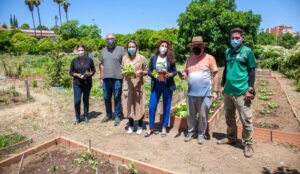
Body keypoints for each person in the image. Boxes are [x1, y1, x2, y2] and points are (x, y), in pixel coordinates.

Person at [218, 28, 256, 158]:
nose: (234, 40)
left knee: (246, 119)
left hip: (242, 92)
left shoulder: (247, 51)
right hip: (228, 91)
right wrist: (222, 85)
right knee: (229, 117)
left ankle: (248, 144)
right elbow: (225, 70)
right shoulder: (228, 51)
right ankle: (231, 138)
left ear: (242, 38)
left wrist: (250, 88)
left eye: (237, 38)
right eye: (232, 38)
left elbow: (252, 71)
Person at [179, 36, 219, 144]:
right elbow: (186, 72)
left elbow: (215, 74)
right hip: (191, 93)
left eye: (198, 46)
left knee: (203, 115)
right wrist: (183, 75)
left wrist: (215, 91)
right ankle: (191, 132)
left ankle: (201, 133)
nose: (196, 48)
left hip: (205, 93)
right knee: (190, 115)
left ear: (202, 46)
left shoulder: (209, 58)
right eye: (194, 46)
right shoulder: (189, 59)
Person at [145, 40, 177, 137]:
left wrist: (170, 74)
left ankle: (164, 127)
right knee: (152, 106)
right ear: (159, 47)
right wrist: (153, 74)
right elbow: (149, 70)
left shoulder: (170, 58)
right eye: (162, 45)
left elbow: (175, 71)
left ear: (167, 48)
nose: (163, 47)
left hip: (167, 84)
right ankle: (151, 127)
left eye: (165, 46)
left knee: (166, 106)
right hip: (156, 84)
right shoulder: (153, 58)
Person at [122, 40, 147, 134]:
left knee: (139, 104)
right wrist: (125, 72)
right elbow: (122, 70)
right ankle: (131, 125)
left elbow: (147, 71)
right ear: (127, 48)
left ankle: (140, 125)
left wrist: (141, 72)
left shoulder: (142, 58)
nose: (131, 48)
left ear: (136, 48)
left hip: (138, 85)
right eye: (129, 47)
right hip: (127, 85)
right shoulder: (125, 58)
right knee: (128, 104)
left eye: (133, 46)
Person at [99, 33, 125, 126]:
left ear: (115, 39)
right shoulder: (103, 50)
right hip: (106, 78)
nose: (110, 40)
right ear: (106, 40)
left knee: (117, 97)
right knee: (106, 97)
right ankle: (108, 114)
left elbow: (125, 63)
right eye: (108, 38)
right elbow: (101, 65)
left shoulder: (121, 50)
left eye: (112, 38)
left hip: (117, 78)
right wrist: (101, 78)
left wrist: (124, 73)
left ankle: (117, 115)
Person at [69, 44, 96, 124]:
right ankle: (77, 117)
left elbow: (93, 70)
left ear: (84, 50)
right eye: (79, 50)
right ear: (77, 51)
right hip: (77, 83)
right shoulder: (74, 61)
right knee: (77, 101)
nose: (80, 52)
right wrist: (77, 75)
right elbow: (71, 72)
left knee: (85, 99)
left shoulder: (89, 60)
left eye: (82, 50)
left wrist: (89, 74)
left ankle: (86, 116)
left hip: (87, 83)